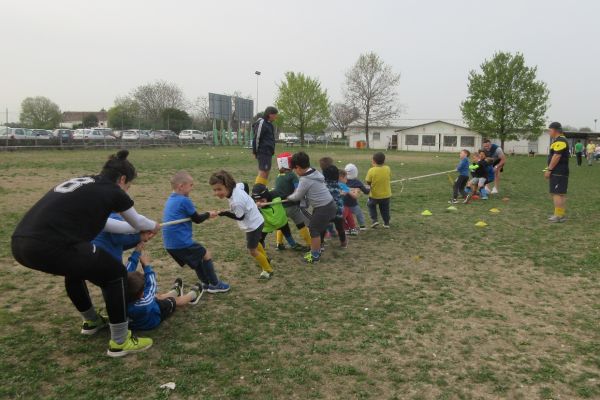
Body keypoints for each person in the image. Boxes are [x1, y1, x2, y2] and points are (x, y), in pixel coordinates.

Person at [11, 150, 158, 357]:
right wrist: (153, 225)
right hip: (49, 244)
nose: (127, 190)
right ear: (122, 179)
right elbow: (137, 221)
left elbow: (109, 224)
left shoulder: (86, 182)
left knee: (76, 269)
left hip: (21, 244)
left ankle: (91, 321)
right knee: (116, 273)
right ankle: (120, 341)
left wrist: (137, 232)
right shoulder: (112, 190)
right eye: (128, 186)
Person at [162, 171, 230, 293]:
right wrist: (209, 214)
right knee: (205, 254)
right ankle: (215, 284)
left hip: (170, 244)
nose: (192, 187)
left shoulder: (170, 199)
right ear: (181, 186)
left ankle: (205, 284)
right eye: (191, 185)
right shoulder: (184, 200)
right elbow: (197, 219)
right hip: (180, 242)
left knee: (198, 259)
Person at [209, 170, 274, 280]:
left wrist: (223, 213)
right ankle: (266, 259)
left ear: (228, 186)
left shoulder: (236, 202)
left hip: (253, 225)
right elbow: (245, 184)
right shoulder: (237, 187)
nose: (216, 193)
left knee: (252, 251)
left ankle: (268, 270)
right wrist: (248, 201)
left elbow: (240, 217)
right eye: (214, 190)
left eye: (219, 189)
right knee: (255, 243)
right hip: (257, 221)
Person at [126, 242, 202, 331]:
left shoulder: (120, 295)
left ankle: (175, 292)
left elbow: (126, 272)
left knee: (157, 297)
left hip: (139, 314)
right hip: (153, 318)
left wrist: (137, 251)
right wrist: (146, 266)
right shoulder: (144, 304)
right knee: (175, 301)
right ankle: (193, 295)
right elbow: (151, 286)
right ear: (140, 295)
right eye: (143, 291)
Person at [286, 152, 337, 264]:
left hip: (324, 207)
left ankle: (315, 256)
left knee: (314, 229)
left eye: (294, 169)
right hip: (329, 205)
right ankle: (318, 248)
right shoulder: (314, 172)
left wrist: (289, 197)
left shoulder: (305, 179)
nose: (295, 171)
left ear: (298, 167)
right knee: (318, 227)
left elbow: (297, 196)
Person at [272, 152, 312, 250]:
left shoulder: (278, 176)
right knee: (301, 224)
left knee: (282, 224)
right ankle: (310, 244)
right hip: (291, 206)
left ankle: (279, 243)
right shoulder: (292, 175)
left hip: (280, 206)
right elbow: (298, 189)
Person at [251, 183, 305, 251]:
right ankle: (261, 249)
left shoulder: (275, 195)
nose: (260, 202)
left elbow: (286, 197)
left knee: (287, 232)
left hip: (281, 220)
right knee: (260, 237)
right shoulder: (252, 202)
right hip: (267, 224)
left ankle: (293, 245)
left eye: (262, 200)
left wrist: (294, 197)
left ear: (266, 195)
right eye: (257, 200)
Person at [545, 122, 570, 223]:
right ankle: (560, 214)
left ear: (555, 130)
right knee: (560, 194)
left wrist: (549, 169)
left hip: (558, 171)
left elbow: (557, 156)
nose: (549, 132)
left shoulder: (560, 141)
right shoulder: (560, 140)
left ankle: (558, 216)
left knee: (556, 193)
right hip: (561, 171)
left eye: (550, 130)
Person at [322, 164, 348, 248]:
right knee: (340, 228)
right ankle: (343, 242)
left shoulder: (323, 186)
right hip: (338, 210)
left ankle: (321, 243)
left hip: (326, 211)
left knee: (322, 228)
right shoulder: (339, 184)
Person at [252, 106, 278, 186]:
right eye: (275, 115)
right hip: (263, 151)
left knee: (266, 172)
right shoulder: (262, 123)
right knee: (263, 171)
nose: (276, 117)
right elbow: (257, 138)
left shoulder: (269, 124)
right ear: (270, 114)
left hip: (268, 152)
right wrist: (255, 151)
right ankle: (257, 191)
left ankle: (262, 188)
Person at [366, 152, 392, 228]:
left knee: (370, 205)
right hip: (386, 195)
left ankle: (374, 220)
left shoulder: (371, 170)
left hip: (374, 195)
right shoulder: (387, 168)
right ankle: (386, 223)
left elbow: (368, 181)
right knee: (385, 209)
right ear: (384, 161)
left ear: (373, 161)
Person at [344, 163, 370, 231]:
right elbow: (366, 191)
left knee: (344, 216)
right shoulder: (357, 182)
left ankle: (346, 228)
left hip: (343, 204)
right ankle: (362, 226)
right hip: (353, 204)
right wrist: (370, 188)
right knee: (359, 214)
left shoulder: (342, 181)